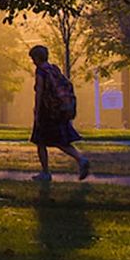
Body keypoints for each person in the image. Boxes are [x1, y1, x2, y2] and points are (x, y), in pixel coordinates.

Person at [28, 44, 90, 182]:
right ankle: (80, 159)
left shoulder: (41, 72)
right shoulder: (54, 69)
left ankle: (46, 172)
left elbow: (39, 92)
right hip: (59, 111)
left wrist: (36, 112)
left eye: (33, 58)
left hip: (47, 112)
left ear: (37, 58)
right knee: (61, 140)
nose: (32, 61)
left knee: (41, 142)